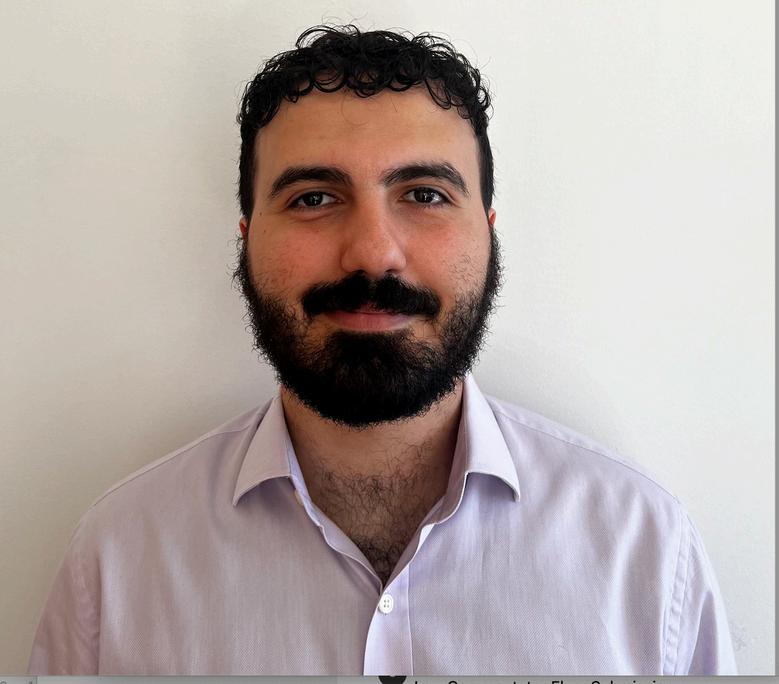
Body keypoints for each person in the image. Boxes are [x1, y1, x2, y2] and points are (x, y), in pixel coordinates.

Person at [28, 25, 736, 675]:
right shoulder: (119, 558)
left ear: (488, 231)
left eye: (424, 194)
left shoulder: (644, 550)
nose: (372, 253)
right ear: (247, 238)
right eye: (313, 198)